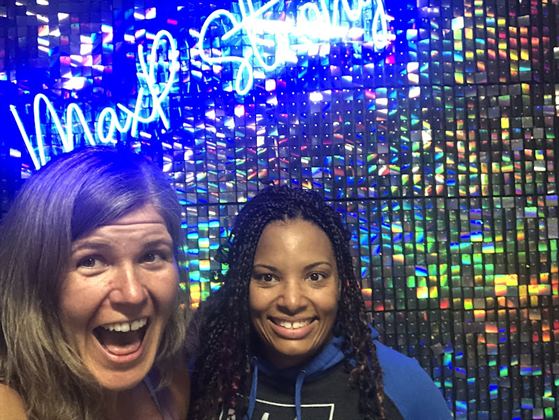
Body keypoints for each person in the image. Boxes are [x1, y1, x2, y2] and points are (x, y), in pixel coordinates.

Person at [188, 185, 452, 420]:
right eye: (267, 277)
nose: (292, 301)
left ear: (341, 284)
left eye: (315, 277)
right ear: (241, 285)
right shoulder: (207, 370)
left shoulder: (404, 387)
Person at [0, 147, 191, 420]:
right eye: (90, 261)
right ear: (35, 279)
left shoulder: (170, 383)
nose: (133, 294)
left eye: (151, 256)